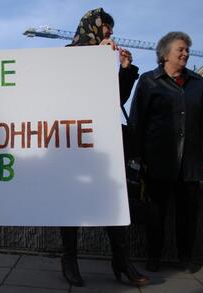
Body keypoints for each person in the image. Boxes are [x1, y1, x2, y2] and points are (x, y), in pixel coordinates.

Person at [59, 8, 149, 287]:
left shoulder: (102, 57)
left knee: (114, 199)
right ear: (93, 26)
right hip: (74, 142)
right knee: (71, 204)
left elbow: (113, 99)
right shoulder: (66, 56)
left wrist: (125, 70)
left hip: (104, 142)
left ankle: (121, 261)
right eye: (106, 27)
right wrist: (94, 58)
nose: (109, 33)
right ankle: (69, 259)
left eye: (110, 29)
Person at [129, 31, 203, 273]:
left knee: (188, 214)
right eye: (181, 49)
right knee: (155, 214)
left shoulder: (198, 82)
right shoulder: (148, 81)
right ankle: (153, 257)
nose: (186, 54)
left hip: (189, 160)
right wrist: (135, 154)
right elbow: (137, 119)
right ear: (165, 54)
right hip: (157, 159)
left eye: (187, 50)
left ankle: (186, 258)